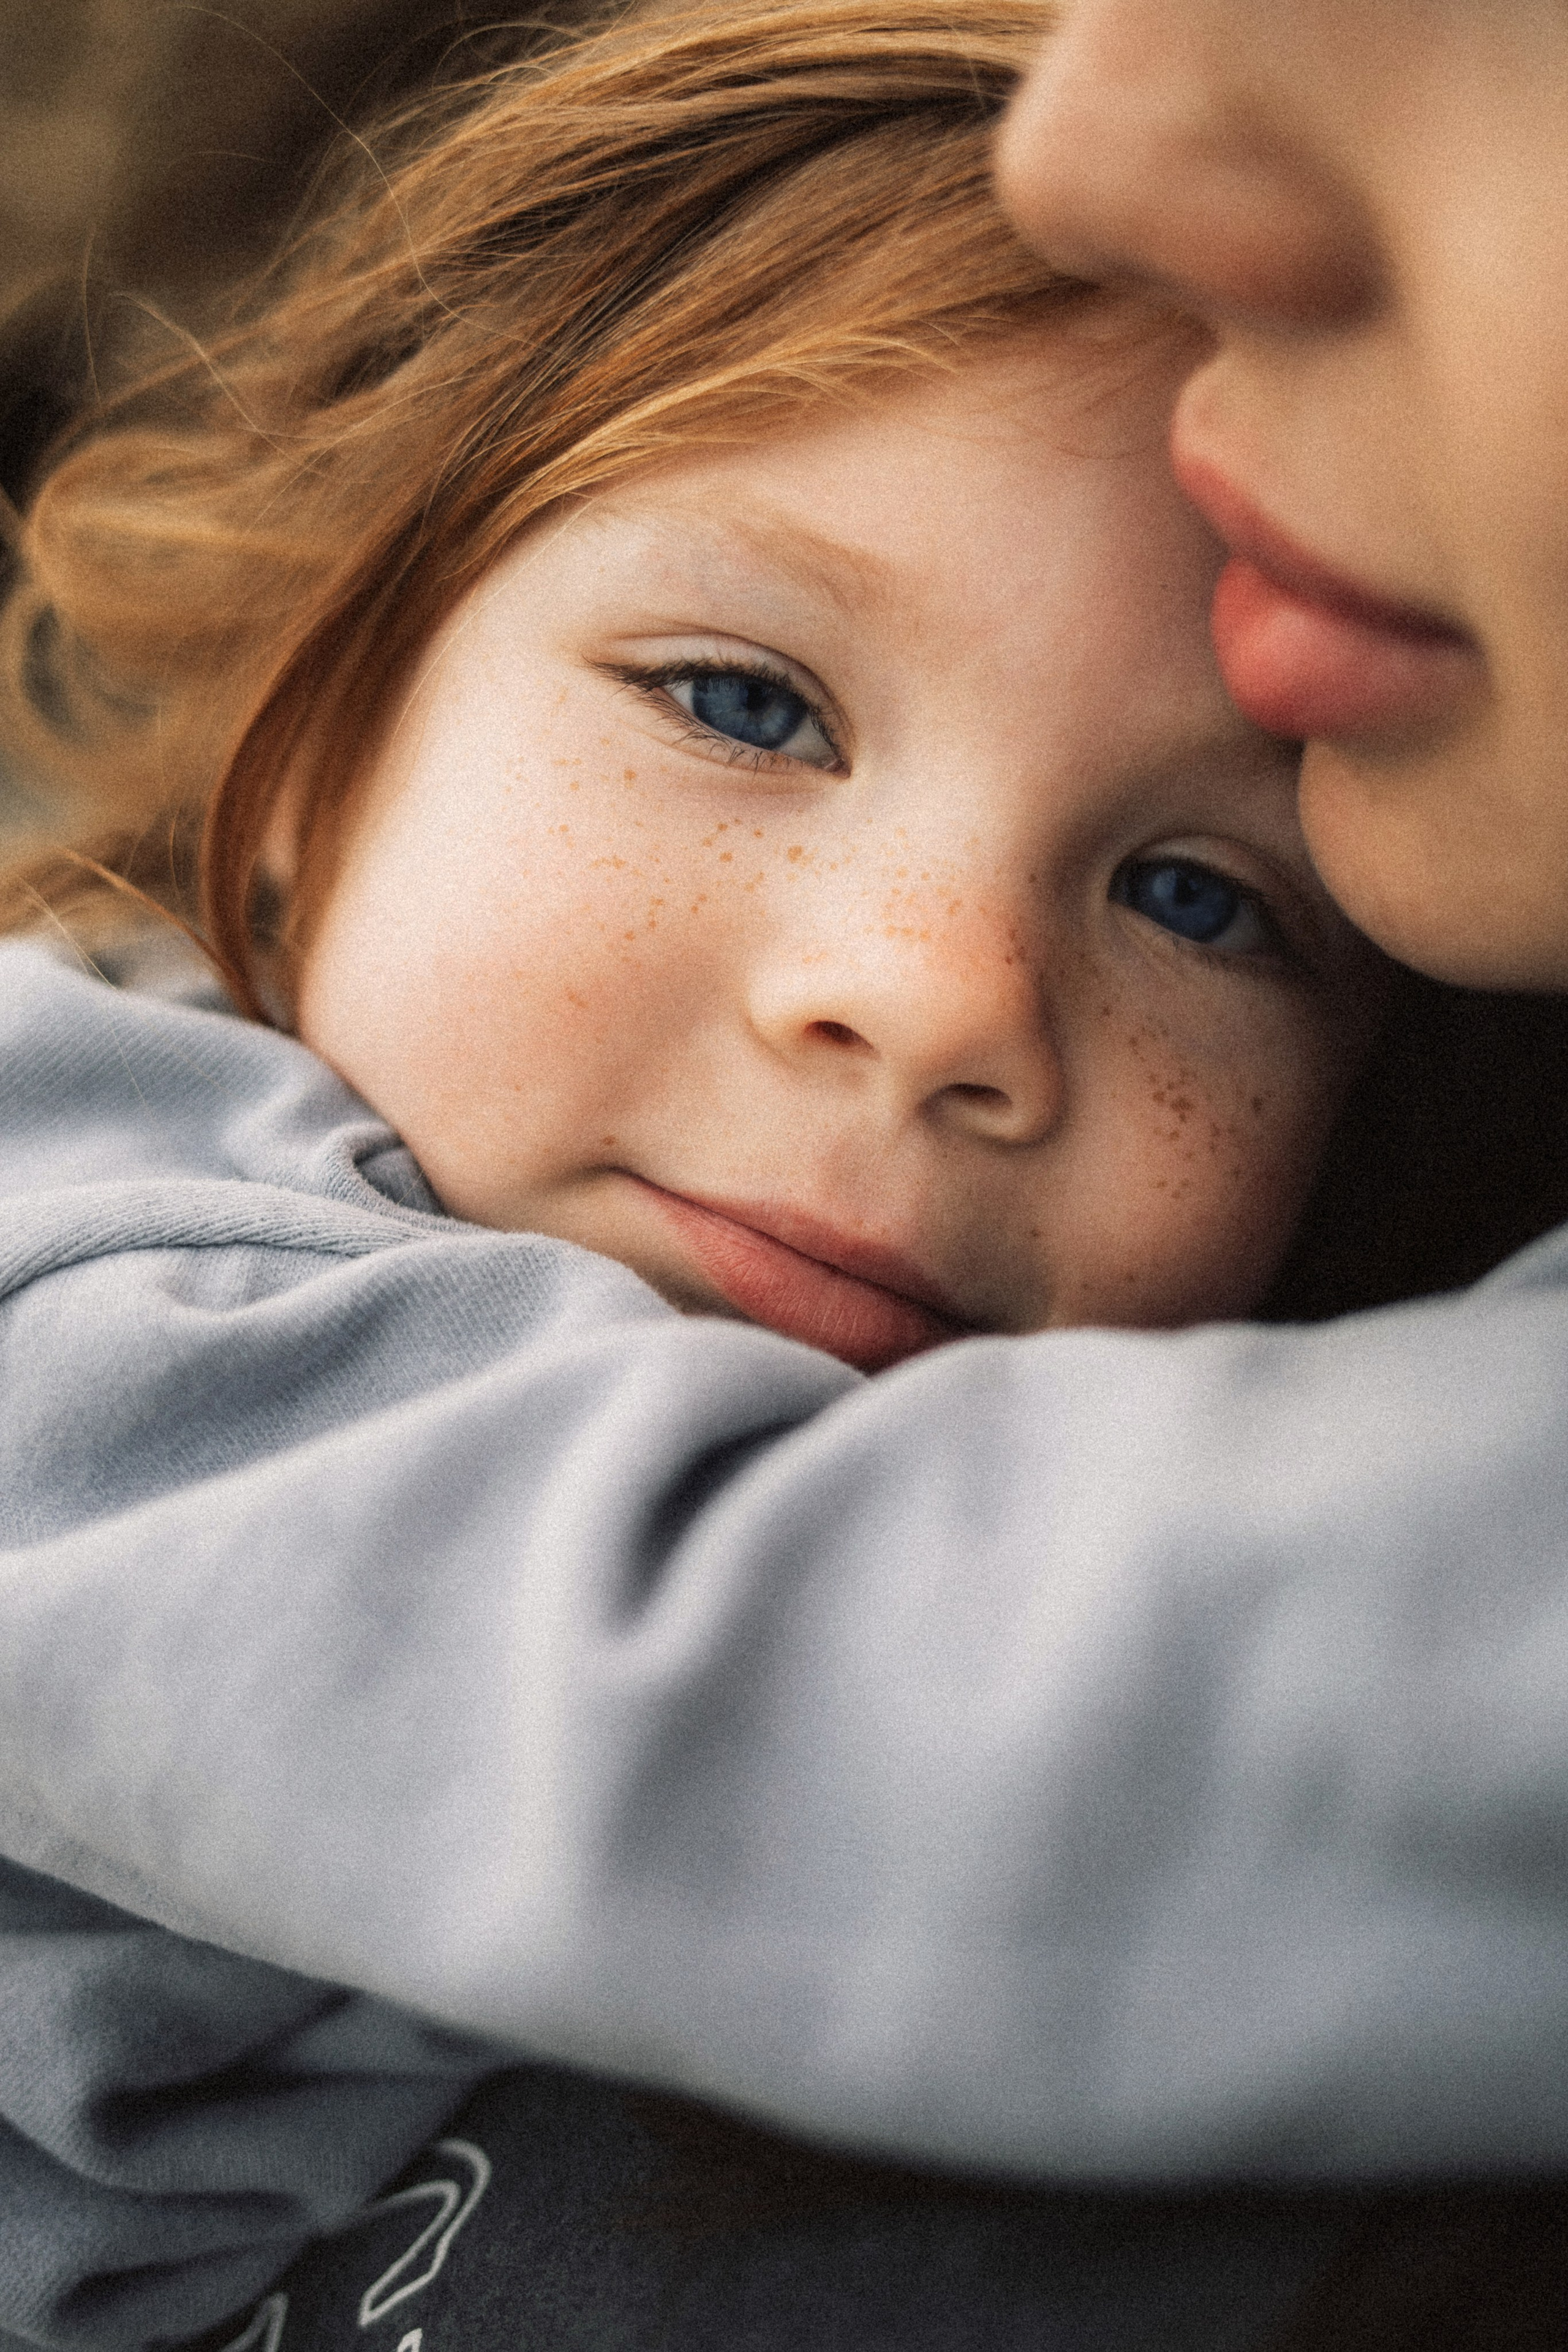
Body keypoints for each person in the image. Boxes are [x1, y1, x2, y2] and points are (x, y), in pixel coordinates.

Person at [4, 1, 1568, 2346]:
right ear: (315, 723)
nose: (942, 995)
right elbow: (758, 1680)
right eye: (743, 701)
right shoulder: (75, 1252)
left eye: (1205, 901)